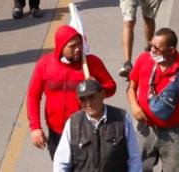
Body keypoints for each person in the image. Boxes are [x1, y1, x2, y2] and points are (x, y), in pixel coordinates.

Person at [27, 27, 118, 159]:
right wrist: (35, 127)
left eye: (80, 44)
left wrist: (97, 86)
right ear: (61, 47)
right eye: (72, 46)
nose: (78, 49)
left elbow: (111, 88)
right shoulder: (44, 64)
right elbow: (33, 96)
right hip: (56, 133)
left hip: (85, 131)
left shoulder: (91, 63)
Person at [126, 27, 179, 171]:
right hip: (145, 130)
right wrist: (134, 106)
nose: (152, 51)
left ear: (171, 50)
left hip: (174, 134)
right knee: (137, 169)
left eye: (157, 48)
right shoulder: (144, 59)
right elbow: (131, 87)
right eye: (151, 46)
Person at [51, 78, 141, 172]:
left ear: (102, 95)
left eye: (92, 97)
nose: (88, 103)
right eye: (83, 99)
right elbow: (61, 163)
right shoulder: (73, 124)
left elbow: (134, 159)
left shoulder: (122, 119)